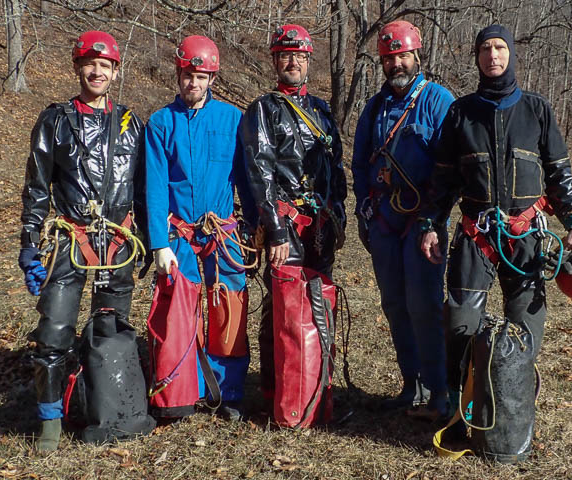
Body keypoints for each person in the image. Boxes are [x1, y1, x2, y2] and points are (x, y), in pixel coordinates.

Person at [420, 25, 572, 416]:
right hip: (475, 234)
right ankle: (463, 408)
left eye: (499, 48)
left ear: (511, 54)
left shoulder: (537, 110)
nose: (492, 55)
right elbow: (443, 179)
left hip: (526, 235)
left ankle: (514, 409)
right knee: (460, 319)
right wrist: (431, 224)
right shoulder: (461, 112)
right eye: (484, 49)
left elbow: (560, 172)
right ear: (476, 57)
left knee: (527, 323)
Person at [19, 31, 146, 451]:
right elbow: (37, 188)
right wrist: (29, 243)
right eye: (90, 64)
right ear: (78, 68)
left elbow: (144, 188)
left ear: (115, 71)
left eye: (105, 66)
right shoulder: (54, 121)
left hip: (118, 244)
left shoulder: (131, 124)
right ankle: (51, 422)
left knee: (110, 331)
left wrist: (146, 239)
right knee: (53, 333)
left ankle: (105, 410)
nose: (97, 71)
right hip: (70, 241)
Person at [144, 35, 256, 421]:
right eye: (188, 75)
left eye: (201, 76)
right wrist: (159, 242)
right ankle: (181, 390)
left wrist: (256, 226)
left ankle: (228, 392)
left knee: (229, 309)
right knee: (179, 310)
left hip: (222, 232)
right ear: (178, 74)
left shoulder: (232, 119)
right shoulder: (160, 123)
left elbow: (245, 179)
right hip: (179, 234)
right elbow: (155, 186)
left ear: (212, 78)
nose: (193, 82)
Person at [239, 24, 347, 408]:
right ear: (274, 60)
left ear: (308, 61)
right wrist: (276, 231)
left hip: (320, 224)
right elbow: (259, 172)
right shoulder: (262, 110)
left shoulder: (321, 110)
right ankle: (277, 391)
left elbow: (336, 168)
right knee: (281, 308)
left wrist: (340, 214)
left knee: (319, 304)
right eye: (285, 55)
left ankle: (317, 385)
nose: (292, 63)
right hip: (285, 226)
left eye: (299, 56)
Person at [352, 20, 454, 417]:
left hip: (423, 223)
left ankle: (438, 389)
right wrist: (365, 207)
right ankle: (410, 383)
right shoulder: (374, 108)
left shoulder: (438, 101)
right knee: (394, 304)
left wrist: (433, 217)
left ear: (417, 56)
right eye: (389, 57)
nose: (396, 63)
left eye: (402, 55)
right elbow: (360, 163)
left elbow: (452, 169)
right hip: (383, 222)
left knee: (425, 304)